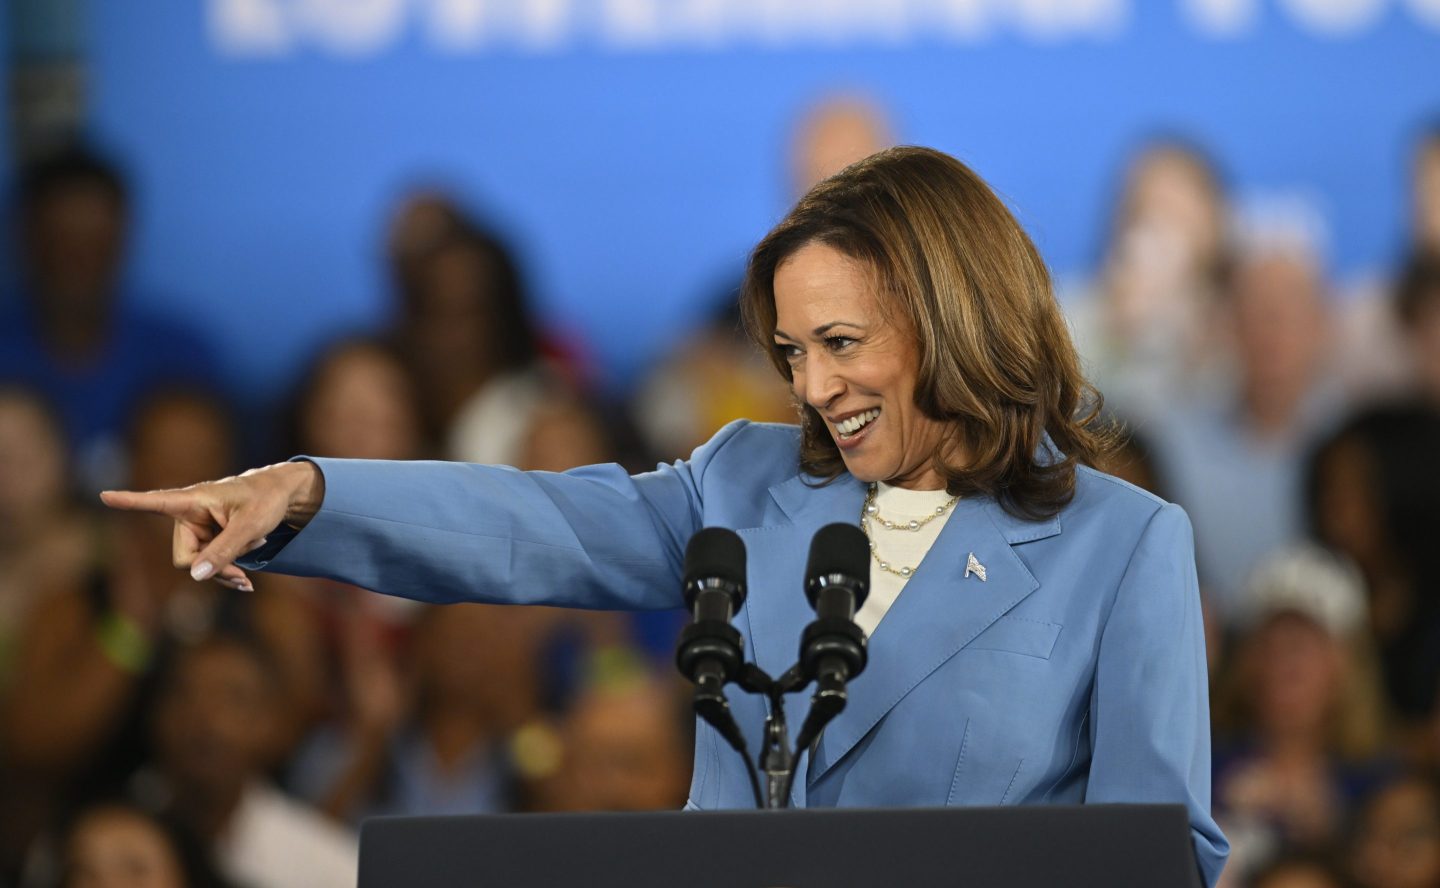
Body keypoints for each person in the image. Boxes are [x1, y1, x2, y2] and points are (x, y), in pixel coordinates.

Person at [101, 146, 1229, 884]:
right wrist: (307, 491)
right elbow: (522, 525)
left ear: (954, 317)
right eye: (792, 353)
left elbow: (1154, 854)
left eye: (842, 344)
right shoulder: (743, 484)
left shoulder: (1122, 547)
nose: (814, 389)